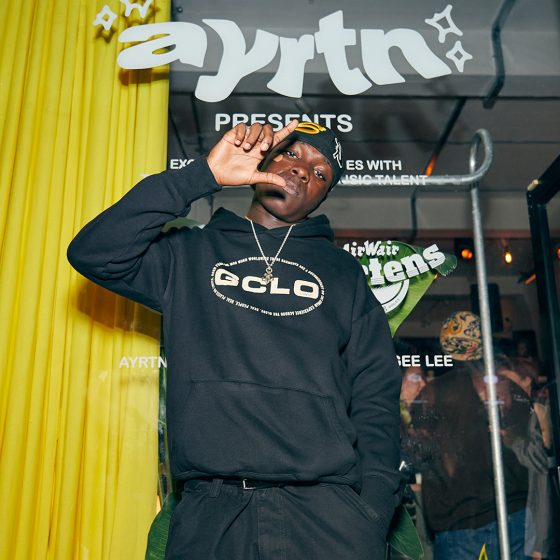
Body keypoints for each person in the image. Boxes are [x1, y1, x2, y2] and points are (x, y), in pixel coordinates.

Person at [67, 120, 403, 559]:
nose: (302, 171)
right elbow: (94, 252)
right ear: (263, 158)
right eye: (292, 154)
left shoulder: (343, 275)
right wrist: (202, 176)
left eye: (321, 173)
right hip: (211, 513)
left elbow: (375, 395)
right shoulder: (189, 253)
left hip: (326, 515)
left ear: (323, 196)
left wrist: (371, 510)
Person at [411, 311, 531, 560]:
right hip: (516, 515)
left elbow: (418, 449)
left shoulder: (432, 394)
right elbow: (533, 446)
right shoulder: (509, 388)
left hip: (463, 524)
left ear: (446, 349)